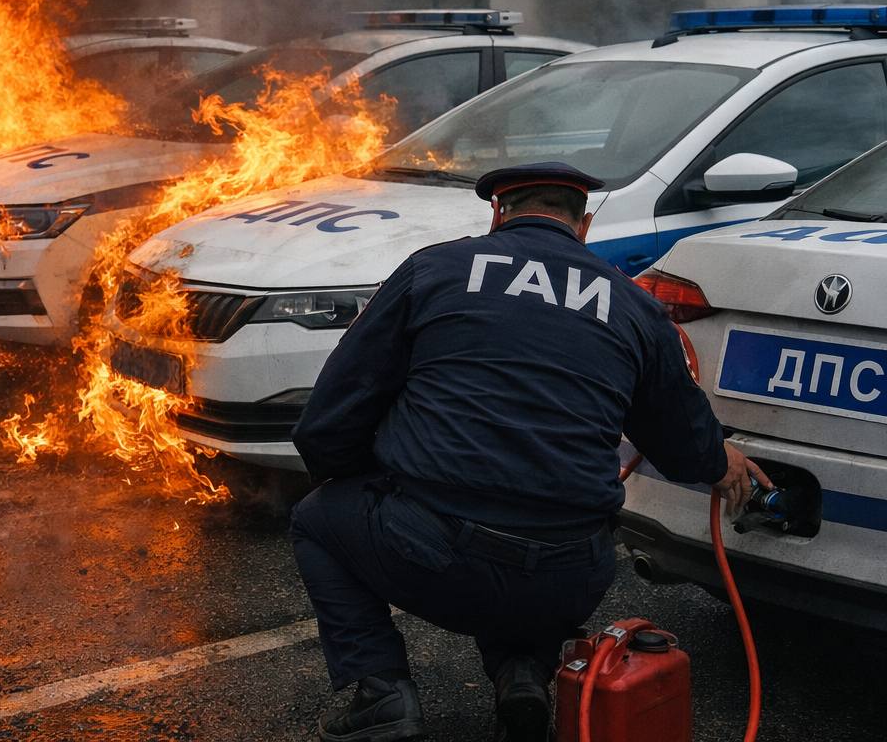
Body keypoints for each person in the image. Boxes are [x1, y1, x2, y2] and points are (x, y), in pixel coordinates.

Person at [289, 162, 771, 742]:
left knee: (318, 519)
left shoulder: (434, 270)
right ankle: (523, 674)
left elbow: (334, 412)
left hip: (432, 557)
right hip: (570, 574)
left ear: (499, 212)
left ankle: (381, 694)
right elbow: (682, 441)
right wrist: (723, 464)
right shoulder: (633, 305)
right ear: (583, 224)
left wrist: (361, 484)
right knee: (536, 510)